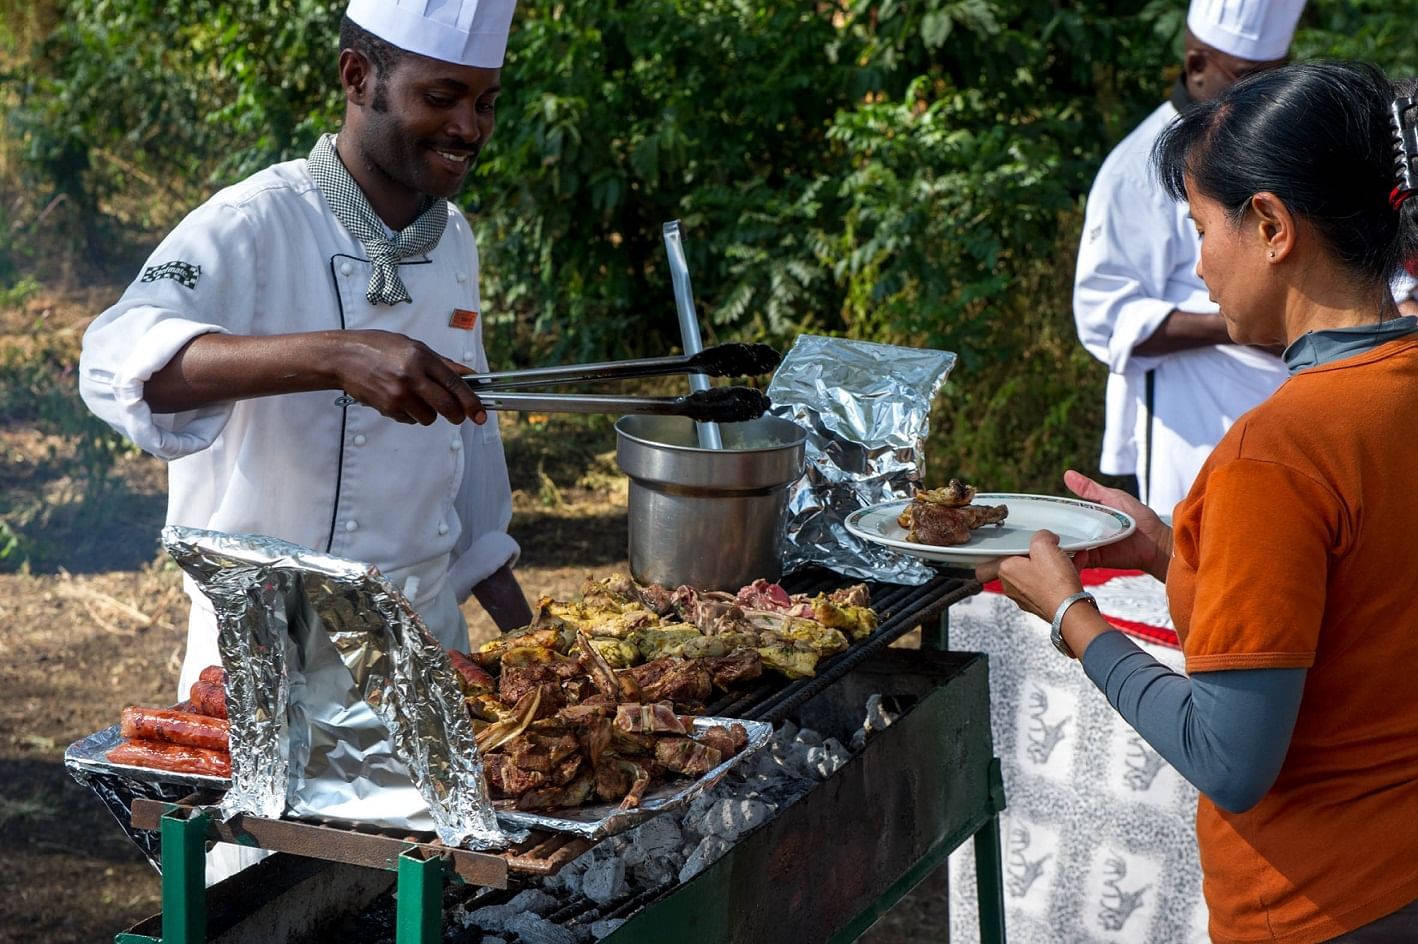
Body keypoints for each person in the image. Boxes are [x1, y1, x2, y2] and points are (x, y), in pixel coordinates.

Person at [991, 61, 1418, 942]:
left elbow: (1231, 758)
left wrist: (1071, 615)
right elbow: (1363, 612)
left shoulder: (1279, 452)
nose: (1197, 265)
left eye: (1200, 228)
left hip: (1320, 904)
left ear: (1269, 226)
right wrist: (1167, 550)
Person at [79, 0, 534, 704]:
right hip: (270, 655)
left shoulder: (453, 237)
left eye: (486, 102)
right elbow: (117, 364)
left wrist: (516, 607)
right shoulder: (252, 222)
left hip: (424, 639)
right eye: (441, 98)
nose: (470, 128)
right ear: (357, 77)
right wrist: (336, 356)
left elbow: (467, 432)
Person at [1073, 0, 1305, 513]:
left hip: (1301, 403)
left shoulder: (1282, 148)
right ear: (1197, 66)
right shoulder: (1137, 169)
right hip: (1195, 417)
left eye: (1278, 75)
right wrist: (1257, 324)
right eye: (1248, 76)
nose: (1264, 94)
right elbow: (1104, 316)